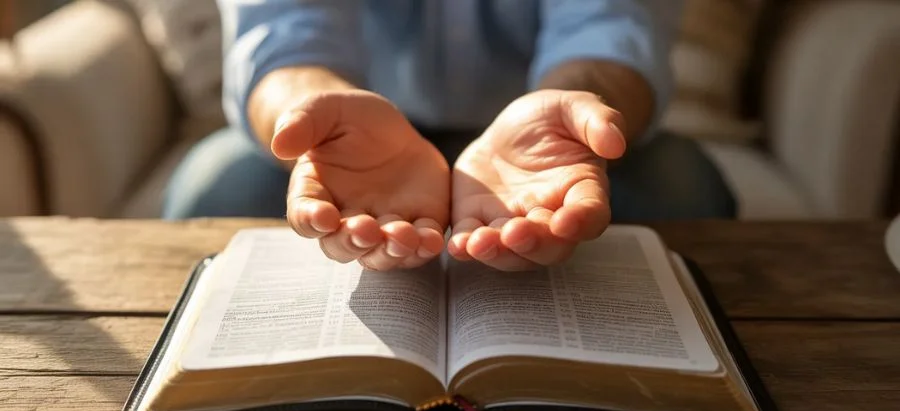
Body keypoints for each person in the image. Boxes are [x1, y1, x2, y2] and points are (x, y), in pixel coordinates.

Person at [163, 0, 736, 272]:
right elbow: (284, 39)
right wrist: (307, 112)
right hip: (358, 142)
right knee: (211, 191)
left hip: (543, 144)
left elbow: (611, 29)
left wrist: (569, 109)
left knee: (685, 188)